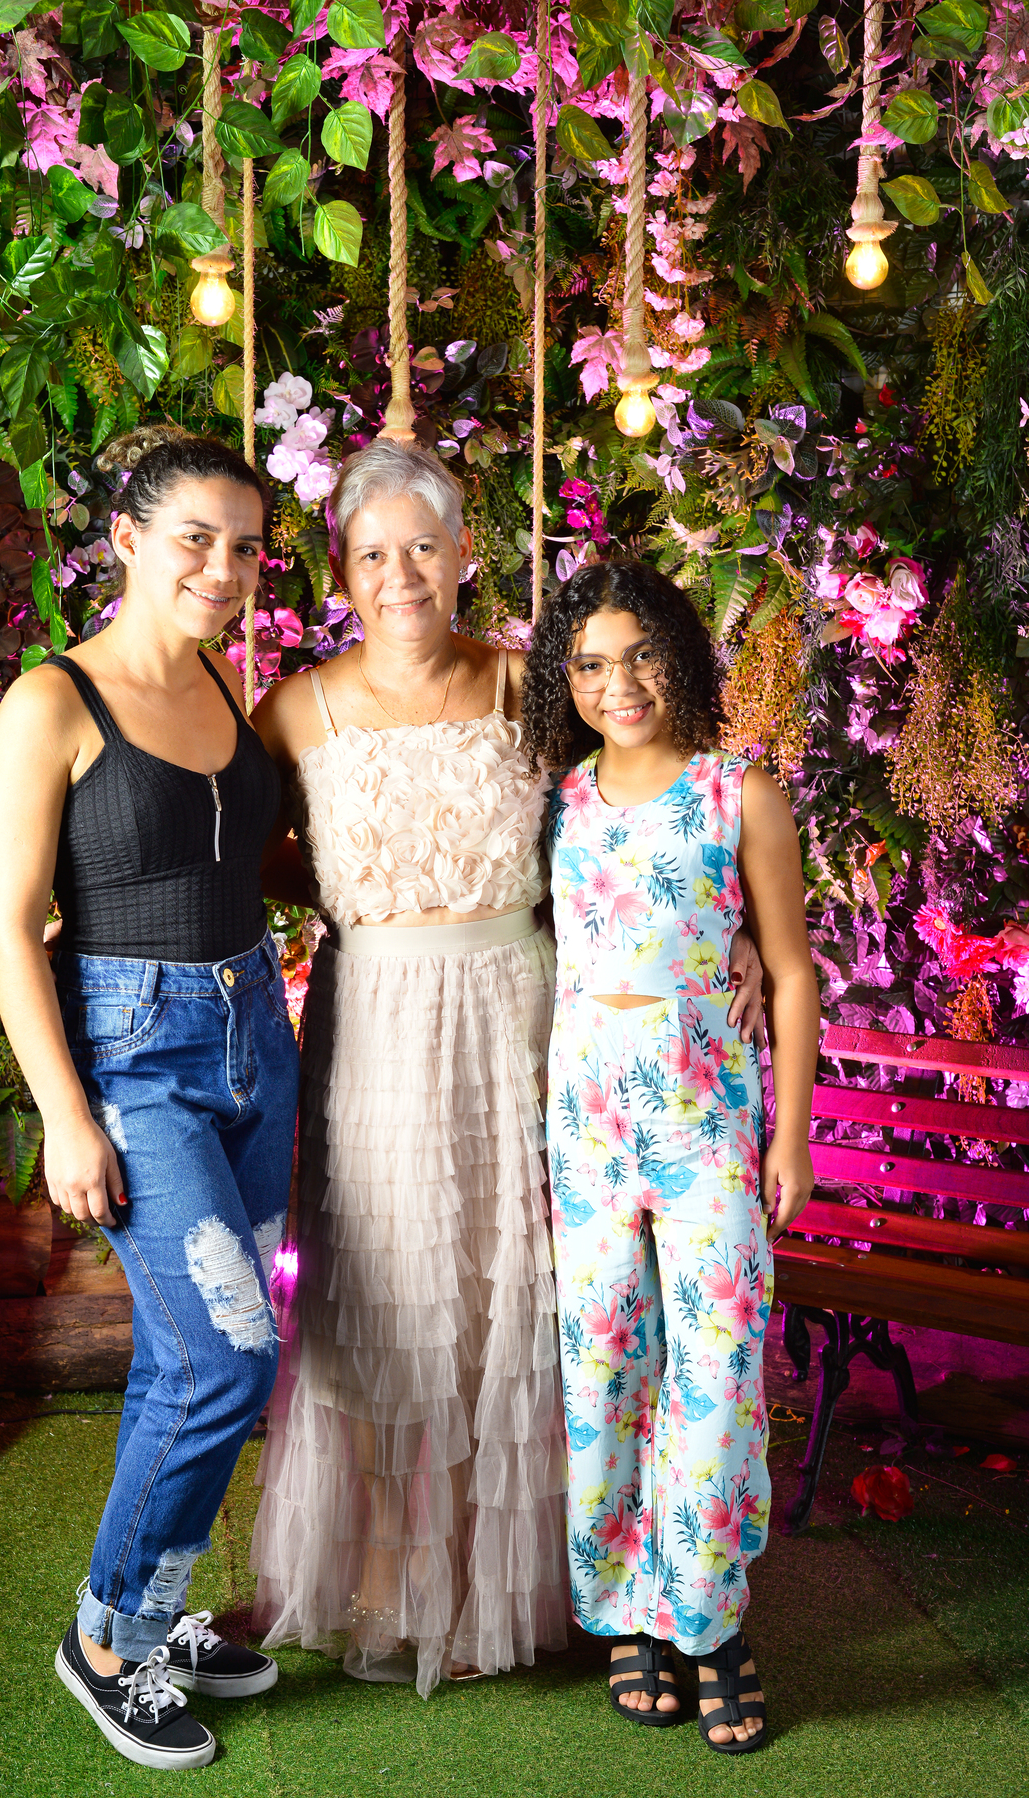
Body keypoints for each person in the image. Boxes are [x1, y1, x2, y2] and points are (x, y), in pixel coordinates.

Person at [247, 438, 764, 1698]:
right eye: (374, 553)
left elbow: (630, 809)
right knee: (390, 1294)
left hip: (528, 1013)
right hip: (375, 1018)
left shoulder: (527, 684)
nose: (402, 574)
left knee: (533, 1296)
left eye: (424, 546)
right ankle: (401, 1586)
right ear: (340, 572)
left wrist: (732, 927)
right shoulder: (294, 708)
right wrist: (354, 900)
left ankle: (544, 1579)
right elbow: (253, 854)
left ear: (465, 553)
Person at [0, 427, 299, 1771]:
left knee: (189, 1357)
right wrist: (65, 1112)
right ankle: (106, 1641)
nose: (224, 568)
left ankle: (152, 1611)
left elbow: (253, 863)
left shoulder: (227, 683)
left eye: (246, 548)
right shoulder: (51, 704)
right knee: (226, 1356)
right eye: (194, 540)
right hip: (134, 1054)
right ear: (124, 538)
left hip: (253, 1036)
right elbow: (9, 926)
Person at [521, 560, 819, 1754]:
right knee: (601, 1369)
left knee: (716, 1373)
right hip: (589, 1129)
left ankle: (708, 1622)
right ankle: (629, 1610)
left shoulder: (741, 792)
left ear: (681, 654)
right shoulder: (555, 801)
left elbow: (789, 968)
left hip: (710, 1126)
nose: (620, 682)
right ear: (565, 678)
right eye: (591, 663)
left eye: (641, 653)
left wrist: (791, 1132)